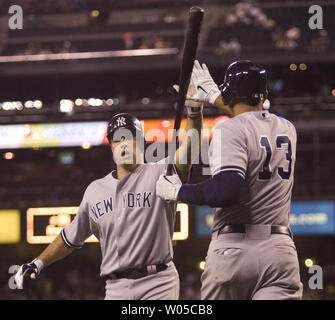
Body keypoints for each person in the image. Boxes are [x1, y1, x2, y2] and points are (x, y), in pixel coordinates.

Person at [14, 80, 203, 300]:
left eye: (129, 137)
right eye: (117, 139)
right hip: (116, 287)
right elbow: (69, 237)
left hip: (158, 282)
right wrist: (38, 262)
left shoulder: (162, 171)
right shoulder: (95, 190)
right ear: (111, 146)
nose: (123, 143)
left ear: (141, 141)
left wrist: (194, 112)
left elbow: (190, 150)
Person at [156, 60, 303, 300]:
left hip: (234, 250)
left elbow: (228, 190)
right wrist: (214, 96)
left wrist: (179, 192)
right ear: (265, 94)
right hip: (280, 253)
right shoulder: (287, 129)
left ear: (229, 94)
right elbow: (254, 117)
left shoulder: (230, 129)